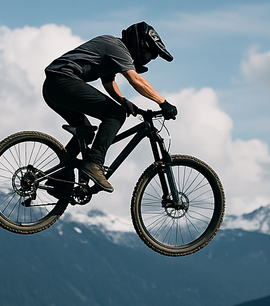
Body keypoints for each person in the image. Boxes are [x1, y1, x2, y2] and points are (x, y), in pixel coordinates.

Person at [42, 22, 177, 193]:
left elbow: (107, 81)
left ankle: (59, 177)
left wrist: (123, 100)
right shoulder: (117, 47)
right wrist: (163, 103)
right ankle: (94, 163)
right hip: (63, 81)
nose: (149, 58)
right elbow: (135, 80)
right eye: (150, 53)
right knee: (116, 114)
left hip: (53, 87)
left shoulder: (113, 49)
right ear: (140, 43)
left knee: (86, 132)